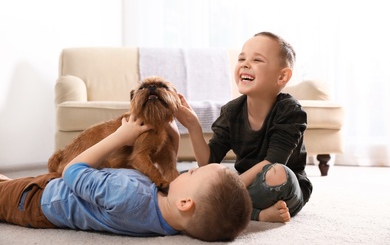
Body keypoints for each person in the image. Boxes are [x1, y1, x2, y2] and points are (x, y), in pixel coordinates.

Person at [0, 115, 252, 242]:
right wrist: (174, 134)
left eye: (194, 172)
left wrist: (121, 136)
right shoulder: (171, 222)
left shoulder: (128, 194)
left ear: (185, 203)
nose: (188, 170)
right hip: (51, 194)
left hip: (38, 198)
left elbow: (72, 170)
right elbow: (167, 174)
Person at [176, 31, 313, 223]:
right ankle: (256, 213)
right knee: (183, 177)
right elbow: (208, 162)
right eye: (242, 58)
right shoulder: (231, 111)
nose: (245, 64)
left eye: (257, 60)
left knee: (277, 174)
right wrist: (193, 126)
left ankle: (224, 206)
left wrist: (227, 188)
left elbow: (274, 161)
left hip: (280, 186)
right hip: (245, 183)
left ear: (282, 76)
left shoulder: (290, 111)